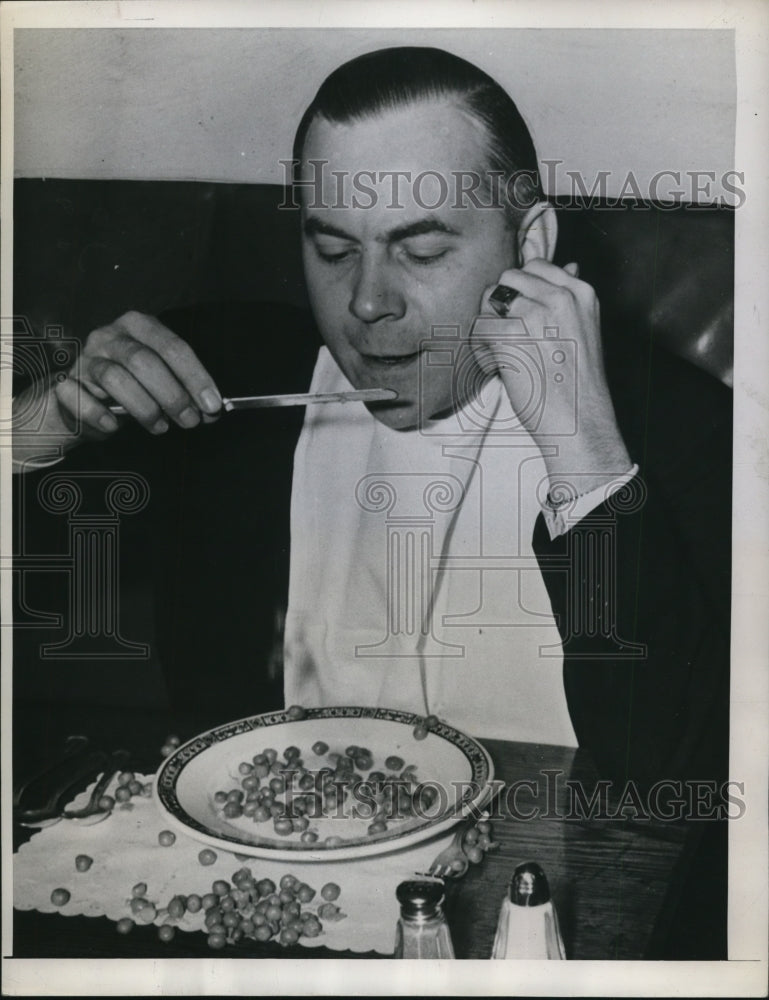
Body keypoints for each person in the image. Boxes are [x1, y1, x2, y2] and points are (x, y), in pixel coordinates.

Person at [13, 47, 731, 795]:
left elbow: (682, 780)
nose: (365, 301)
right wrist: (50, 419)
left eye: (420, 251)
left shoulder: (683, 428)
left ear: (530, 246)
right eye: (333, 250)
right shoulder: (213, 384)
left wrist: (585, 460)